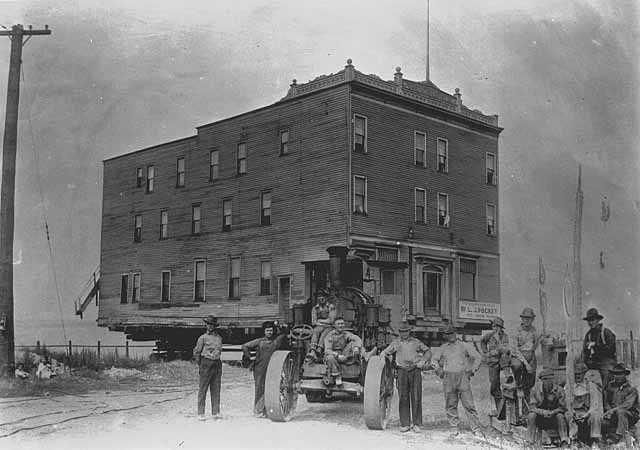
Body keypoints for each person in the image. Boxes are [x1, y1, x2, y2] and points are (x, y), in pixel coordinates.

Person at [380, 321, 432, 432]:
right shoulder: (396, 343)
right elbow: (385, 352)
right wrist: (386, 359)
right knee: (403, 397)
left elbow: (427, 351)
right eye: (402, 332)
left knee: (416, 396)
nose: (404, 333)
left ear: (409, 331)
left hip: (415, 370)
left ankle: (417, 424)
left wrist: (423, 360)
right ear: (399, 332)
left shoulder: (416, 342)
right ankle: (405, 424)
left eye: (406, 331)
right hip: (401, 371)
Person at [435, 324, 483, 437]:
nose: (450, 336)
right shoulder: (443, 347)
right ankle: (454, 427)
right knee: (450, 403)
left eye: (451, 333)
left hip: (462, 377)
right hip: (448, 377)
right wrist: (438, 370)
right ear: (445, 336)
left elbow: (478, 357)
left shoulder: (464, 346)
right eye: (447, 334)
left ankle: (476, 428)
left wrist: (472, 370)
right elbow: (434, 359)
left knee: (469, 404)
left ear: (455, 333)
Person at [241, 321, 289, 417]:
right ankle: (258, 411)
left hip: (272, 369)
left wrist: (282, 327)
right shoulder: (259, 341)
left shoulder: (276, 341)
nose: (269, 333)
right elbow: (245, 346)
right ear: (264, 331)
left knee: (270, 389)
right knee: (259, 389)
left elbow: (284, 334)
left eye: (271, 330)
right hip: (259, 369)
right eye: (267, 331)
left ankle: (266, 411)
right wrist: (250, 357)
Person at [526, 368, 569, 447]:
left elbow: (563, 407)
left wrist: (553, 412)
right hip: (540, 418)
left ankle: (564, 440)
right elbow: (532, 407)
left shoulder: (560, 390)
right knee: (531, 415)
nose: (547, 382)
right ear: (541, 380)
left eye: (549, 379)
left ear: (553, 379)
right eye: (545, 380)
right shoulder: (535, 390)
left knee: (560, 416)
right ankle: (529, 441)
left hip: (554, 418)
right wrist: (543, 412)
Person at [193, 315, 223, 420]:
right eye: (208, 324)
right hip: (206, 363)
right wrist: (201, 365)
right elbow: (197, 352)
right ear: (206, 325)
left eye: (212, 324)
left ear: (215, 326)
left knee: (216, 388)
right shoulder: (203, 338)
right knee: (203, 389)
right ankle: (201, 413)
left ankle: (216, 412)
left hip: (217, 364)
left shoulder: (219, 338)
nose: (210, 326)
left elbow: (219, 351)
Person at [565, 361, 602, 445]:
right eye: (576, 374)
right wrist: (573, 412)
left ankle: (595, 440)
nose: (577, 376)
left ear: (584, 374)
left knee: (595, 415)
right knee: (568, 415)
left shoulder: (591, 386)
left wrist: (586, 414)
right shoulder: (569, 387)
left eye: (580, 374)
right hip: (575, 413)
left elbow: (595, 405)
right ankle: (573, 440)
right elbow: (567, 403)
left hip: (587, 413)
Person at [602, 363, 639, 444]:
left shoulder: (631, 388)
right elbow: (606, 401)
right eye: (615, 374)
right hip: (613, 413)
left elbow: (627, 405)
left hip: (630, 414)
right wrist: (608, 409)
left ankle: (620, 436)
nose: (617, 376)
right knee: (601, 419)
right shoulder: (610, 386)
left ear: (625, 375)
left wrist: (613, 410)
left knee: (621, 412)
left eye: (620, 374)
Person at [480, 316, 511, 411]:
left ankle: (508, 375)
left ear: (501, 328)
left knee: (504, 355)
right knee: (494, 386)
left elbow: (505, 348)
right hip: (493, 362)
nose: (495, 328)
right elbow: (482, 342)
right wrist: (486, 352)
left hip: (502, 361)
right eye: (494, 326)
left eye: (497, 326)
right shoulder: (489, 335)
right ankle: (500, 409)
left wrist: (497, 349)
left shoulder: (505, 336)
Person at [582, 307, 616, 388]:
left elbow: (611, 349)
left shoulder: (606, 332)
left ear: (598, 320)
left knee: (607, 376)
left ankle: (607, 398)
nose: (591, 323)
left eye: (593, 320)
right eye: (589, 321)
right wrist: (587, 363)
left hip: (607, 361)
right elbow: (585, 353)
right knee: (584, 378)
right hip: (594, 363)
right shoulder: (588, 335)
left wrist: (596, 346)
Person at [323, 316, 362, 386]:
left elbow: (356, 338)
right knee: (329, 358)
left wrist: (356, 347)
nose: (341, 326)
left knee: (353, 343)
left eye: (342, 324)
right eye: (339, 324)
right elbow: (327, 350)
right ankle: (337, 375)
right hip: (334, 356)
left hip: (344, 354)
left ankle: (360, 358)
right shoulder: (330, 335)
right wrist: (337, 355)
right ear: (334, 326)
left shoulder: (345, 334)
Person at [511, 307, 540, 402]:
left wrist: (531, 358)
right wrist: (526, 364)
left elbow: (535, 344)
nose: (527, 320)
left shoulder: (534, 330)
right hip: (519, 356)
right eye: (525, 318)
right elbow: (515, 349)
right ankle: (518, 384)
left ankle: (525, 409)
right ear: (522, 319)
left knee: (530, 382)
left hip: (530, 356)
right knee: (517, 366)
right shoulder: (517, 331)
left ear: (532, 319)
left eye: (529, 318)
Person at [306, 290, 337, 361]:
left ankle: (319, 349)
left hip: (330, 327)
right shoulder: (315, 308)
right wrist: (324, 322)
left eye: (323, 296)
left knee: (325, 332)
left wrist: (319, 321)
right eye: (319, 297)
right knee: (315, 331)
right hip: (320, 326)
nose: (321, 298)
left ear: (326, 298)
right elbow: (313, 322)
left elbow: (331, 321)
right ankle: (313, 351)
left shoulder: (331, 307)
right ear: (317, 298)